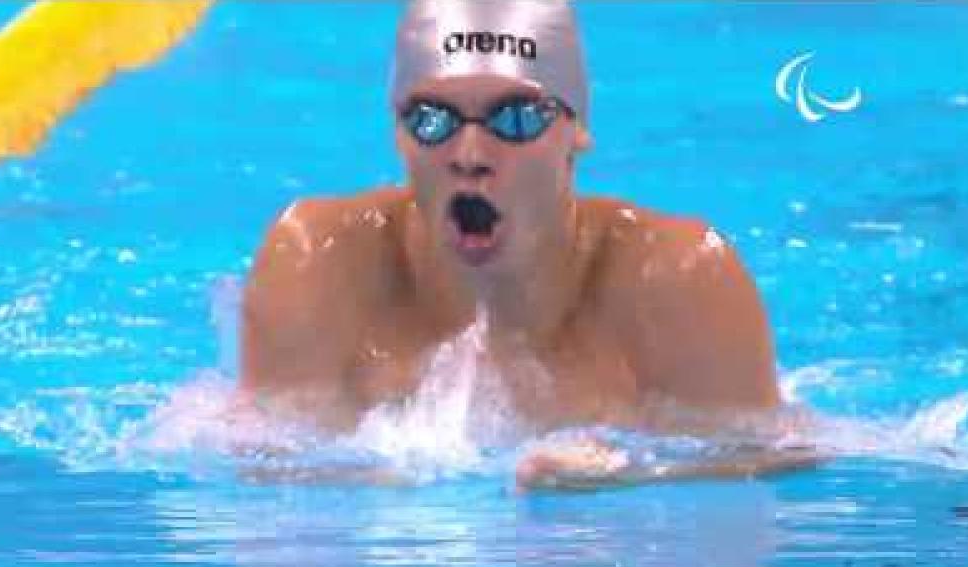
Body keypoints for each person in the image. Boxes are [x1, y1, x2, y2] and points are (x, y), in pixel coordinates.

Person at [238, 0, 818, 489]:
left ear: (577, 129)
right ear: (398, 132)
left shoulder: (681, 280)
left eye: (513, 119)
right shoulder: (318, 263)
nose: (469, 155)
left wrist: (635, 474)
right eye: (433, 120)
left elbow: (781, 459)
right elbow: (260, 476)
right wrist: (373, 483)